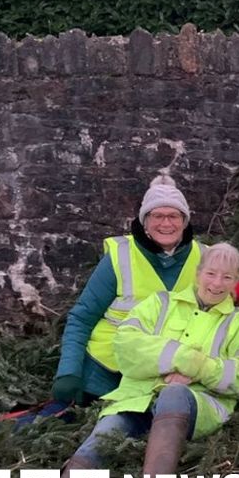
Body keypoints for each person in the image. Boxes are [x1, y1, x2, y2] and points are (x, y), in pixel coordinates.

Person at [0, 243, 239, 478]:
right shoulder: (159, 304)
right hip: (136, 398)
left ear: (237, 280)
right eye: (211, 273)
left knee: (176, 393)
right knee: (101, 438)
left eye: (227, 277)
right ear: (198, 273)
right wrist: (180, 358)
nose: (217, 283)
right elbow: (126, 344)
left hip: (196, 405)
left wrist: (203, 369)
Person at [52, 174, 202, 406]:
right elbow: (82, 318)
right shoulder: (120, 256)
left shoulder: (204, 259)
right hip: (106, 374)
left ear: (185, 221)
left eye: (174, 216)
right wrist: (68, 373)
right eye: (157, 216)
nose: (166, 224)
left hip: (168, 378)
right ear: (144, 221)